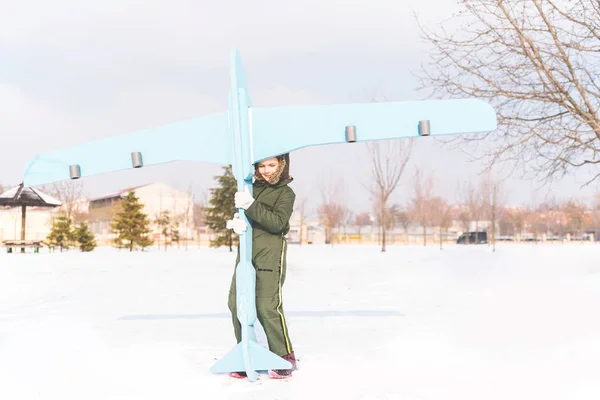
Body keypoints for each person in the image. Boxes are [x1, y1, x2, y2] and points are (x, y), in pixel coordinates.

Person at [225, 153, 297, 379]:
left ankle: (284, 356)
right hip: (246, 255)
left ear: (281, 165)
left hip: (269, 255)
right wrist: (235, 222)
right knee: (236, 303)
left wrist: (251, 205)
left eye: (272, 165)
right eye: (262, 165)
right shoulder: (250, 189)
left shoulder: (285, 193)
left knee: (267, 306)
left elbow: (277, 223)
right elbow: (243, 213)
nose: (266, 170)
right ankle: (245, 353)